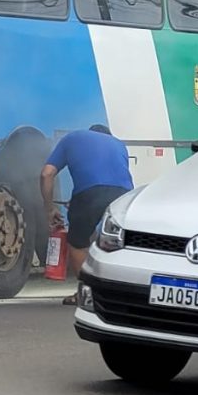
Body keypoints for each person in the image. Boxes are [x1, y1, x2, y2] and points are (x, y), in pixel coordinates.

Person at [40, 123, 133, 305]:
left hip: (89, 195)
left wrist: (50, 208)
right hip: (125, 196)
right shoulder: (119, 144)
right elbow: (111, 183)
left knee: (78, 243)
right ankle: (118, 292)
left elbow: (46, 174)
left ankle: (85, 293)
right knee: (114, 242)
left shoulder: (73, 137)